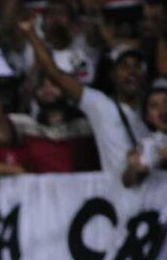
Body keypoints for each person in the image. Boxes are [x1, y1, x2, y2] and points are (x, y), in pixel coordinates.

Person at [20, 16, 148, 179]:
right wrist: (31, 33)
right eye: (124, 66)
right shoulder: (101, 105)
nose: (131, 72)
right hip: (122, 196)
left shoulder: (157, 105)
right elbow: (54, 72)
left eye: (136, 66)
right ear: (112, 75)